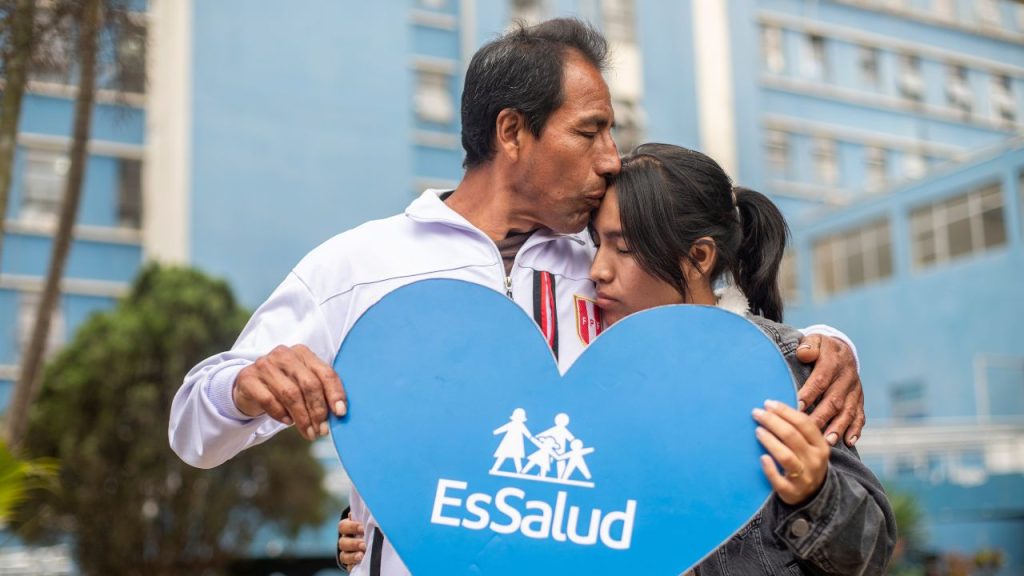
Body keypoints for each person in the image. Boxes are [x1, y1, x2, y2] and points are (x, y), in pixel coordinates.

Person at [166, 19, 864, 576]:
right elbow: (194, 432)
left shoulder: (604, 268)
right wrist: (245, 387)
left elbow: (706, 334)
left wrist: (829, 346)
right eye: (590, 130)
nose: (613, 158)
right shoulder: (359, 266)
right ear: (512, 132)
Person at [587, 143, 894, 574]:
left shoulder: (787, 369)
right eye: (597, 243)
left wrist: (815, 491)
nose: (597, 269)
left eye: (623, 248)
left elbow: (870, 550)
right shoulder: (589, 369)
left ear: (699, 257)